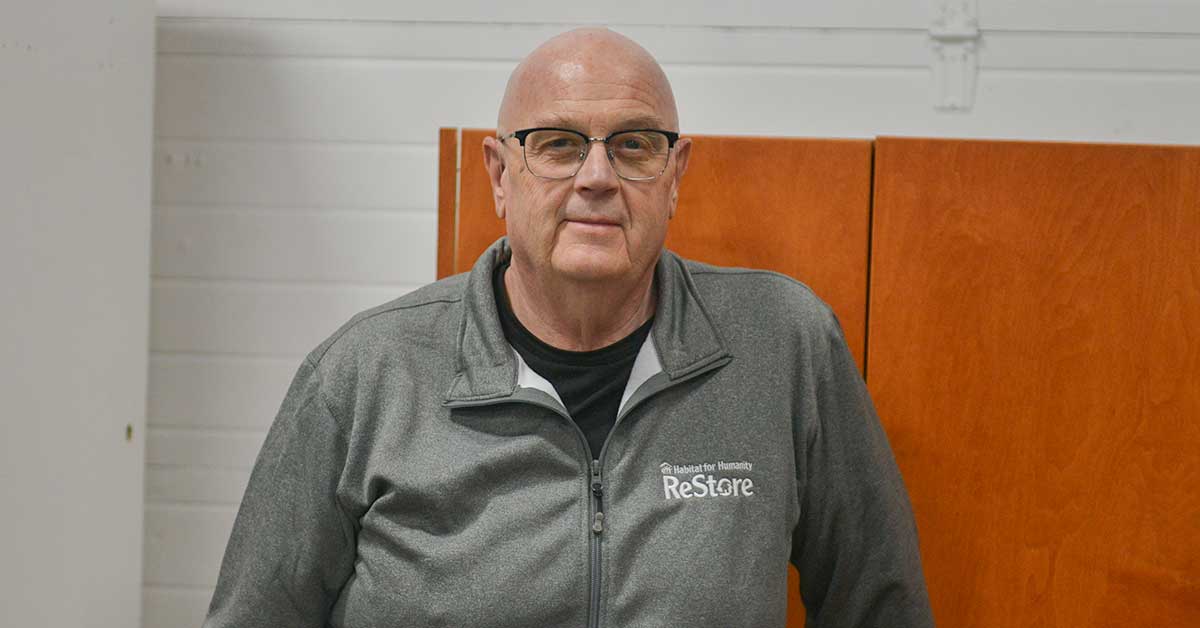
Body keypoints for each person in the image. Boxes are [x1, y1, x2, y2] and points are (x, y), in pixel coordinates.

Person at [204, 27, 934, 628]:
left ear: (675, 174)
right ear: (497, 173)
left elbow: (881, 606)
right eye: (557, 144)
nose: (596, 177)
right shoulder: (365, 375)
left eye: (634, 146)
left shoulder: (783, 345)